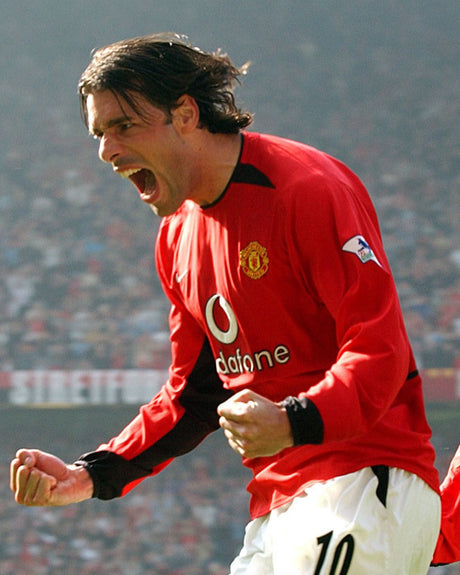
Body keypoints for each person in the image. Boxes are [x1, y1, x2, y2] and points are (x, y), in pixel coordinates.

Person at [10, 33, 445, 574]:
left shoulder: (306, 187)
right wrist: (91, 474)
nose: (106, 151)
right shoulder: (176, 238)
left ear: (185, 114)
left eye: (124, 126)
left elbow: (380, 350)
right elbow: (193, 395)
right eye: (100, 134)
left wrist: (293, 420)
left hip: (362, 482)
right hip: (276, 507)